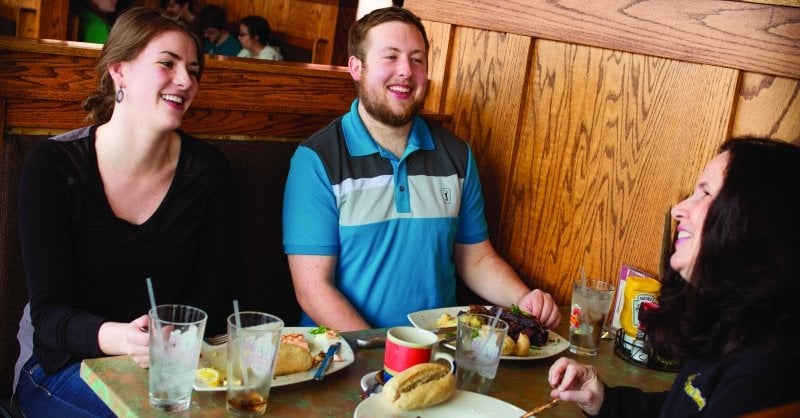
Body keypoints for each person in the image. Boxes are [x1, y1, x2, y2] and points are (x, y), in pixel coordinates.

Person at [13, 7, 235, 417]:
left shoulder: (208, 171)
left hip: (170, 368)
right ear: (120, 71)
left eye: (194, 70)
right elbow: (49, 316)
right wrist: (122, 339)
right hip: (63, 366)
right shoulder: (54, 165)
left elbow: (212, 295)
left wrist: (176, 341)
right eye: (167, 64)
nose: (185, 81)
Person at [282, 6, 559, 331]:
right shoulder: (316, 159)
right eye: (390, 57)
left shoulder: (457, 155)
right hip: (347, 354)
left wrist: (524, 300)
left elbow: (476, 259)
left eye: (417, 59)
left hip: (439, 349)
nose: (406, 71)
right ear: (357, 67)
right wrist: (383, 351)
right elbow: (313, 289)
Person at [548, 137, 800, 417]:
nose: (679, 209)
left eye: (705, 193)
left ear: (753, 222)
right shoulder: (734, 327)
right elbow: (685, 408)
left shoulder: (762, 372)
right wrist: (606, 401)